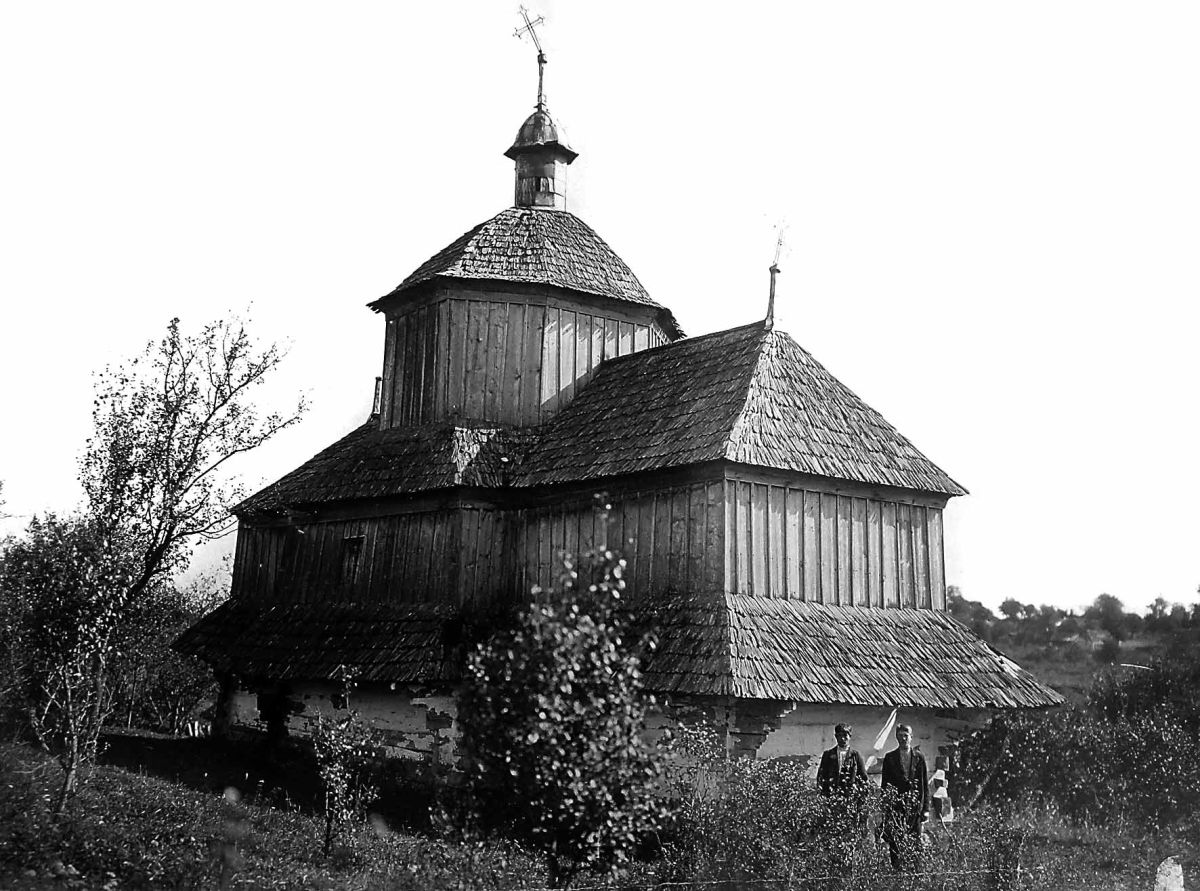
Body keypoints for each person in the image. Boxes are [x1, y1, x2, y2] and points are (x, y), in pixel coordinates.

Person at [880, 723, 929, 871]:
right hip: (896, 808)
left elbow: (924, 785)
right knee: (895, 841)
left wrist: (925, 809)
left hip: (915, 809)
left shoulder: (919, 758)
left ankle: (915, 873)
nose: (903, 738)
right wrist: (886, 808)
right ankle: (897, 872)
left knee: (915, 842)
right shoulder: (890, 758)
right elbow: (885, 784)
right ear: (896, 737)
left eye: (906, 735)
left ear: (911, 737)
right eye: (900, 735)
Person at [816, 722, 869, 847]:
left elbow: (863, 780)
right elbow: (821, 778)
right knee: (832, 833)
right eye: (840, 735)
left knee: (849, 834)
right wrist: (823, 798)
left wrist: (859, 799)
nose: (843, 738)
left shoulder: (856, 756)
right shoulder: (828, 755)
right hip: (832, 801)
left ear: (850, 736)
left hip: (850, 802)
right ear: (836, 737)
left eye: (845, 735)